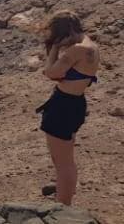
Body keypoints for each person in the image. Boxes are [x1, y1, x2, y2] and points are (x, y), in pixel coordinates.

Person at [37, 12, 101, 205]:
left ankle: (62, 208)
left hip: (63, 106)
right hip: (76, 103)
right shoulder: (91, 44)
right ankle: (63, 193)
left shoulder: (77, 50)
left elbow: (50, 72)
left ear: (67, 32)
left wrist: (55, 48)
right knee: (65, 158)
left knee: (63, 162)